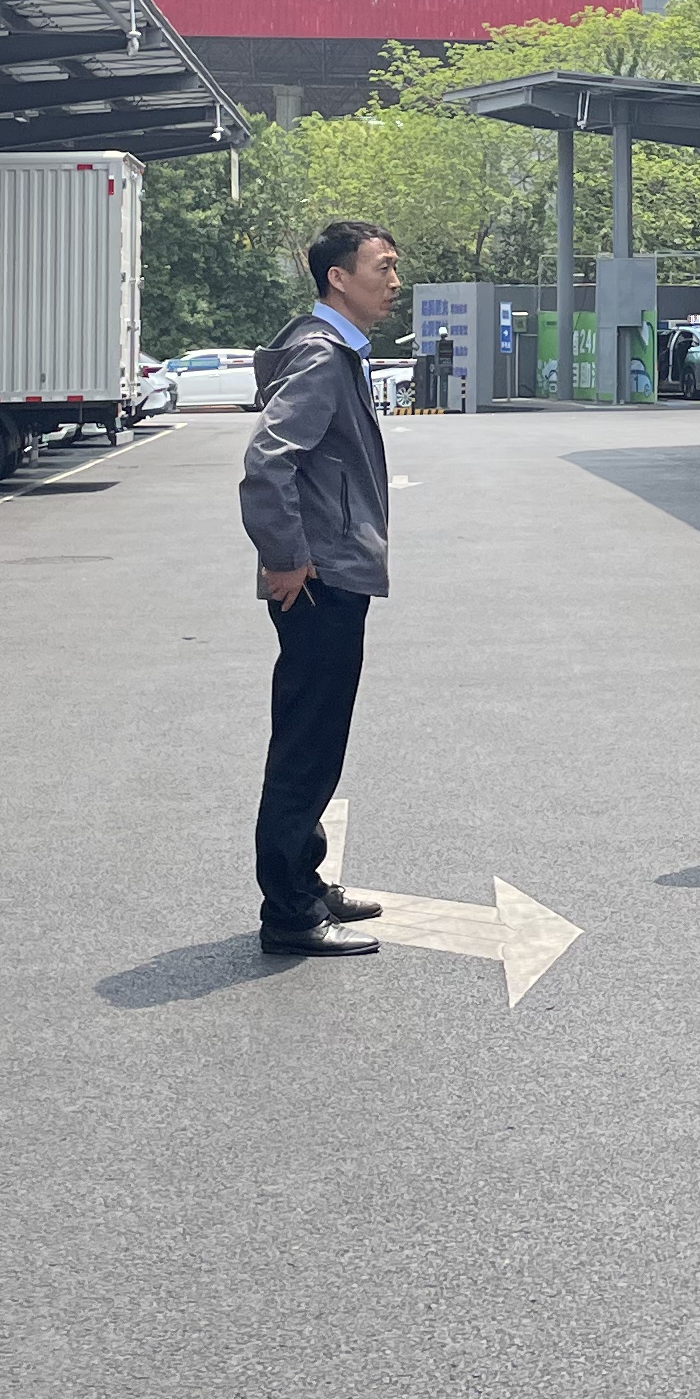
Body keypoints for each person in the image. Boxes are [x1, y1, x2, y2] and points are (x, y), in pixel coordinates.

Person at [237, 219, 404, 958]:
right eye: (382, 267)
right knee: (307, 743)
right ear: (338, 277)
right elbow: (267, 462)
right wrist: (285, 557)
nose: (394, 282)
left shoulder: (331, 348)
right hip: (318, 574)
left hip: (326, 565)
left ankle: (304, 881)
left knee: (315, 734)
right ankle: (290, 913)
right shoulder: (320, 354)